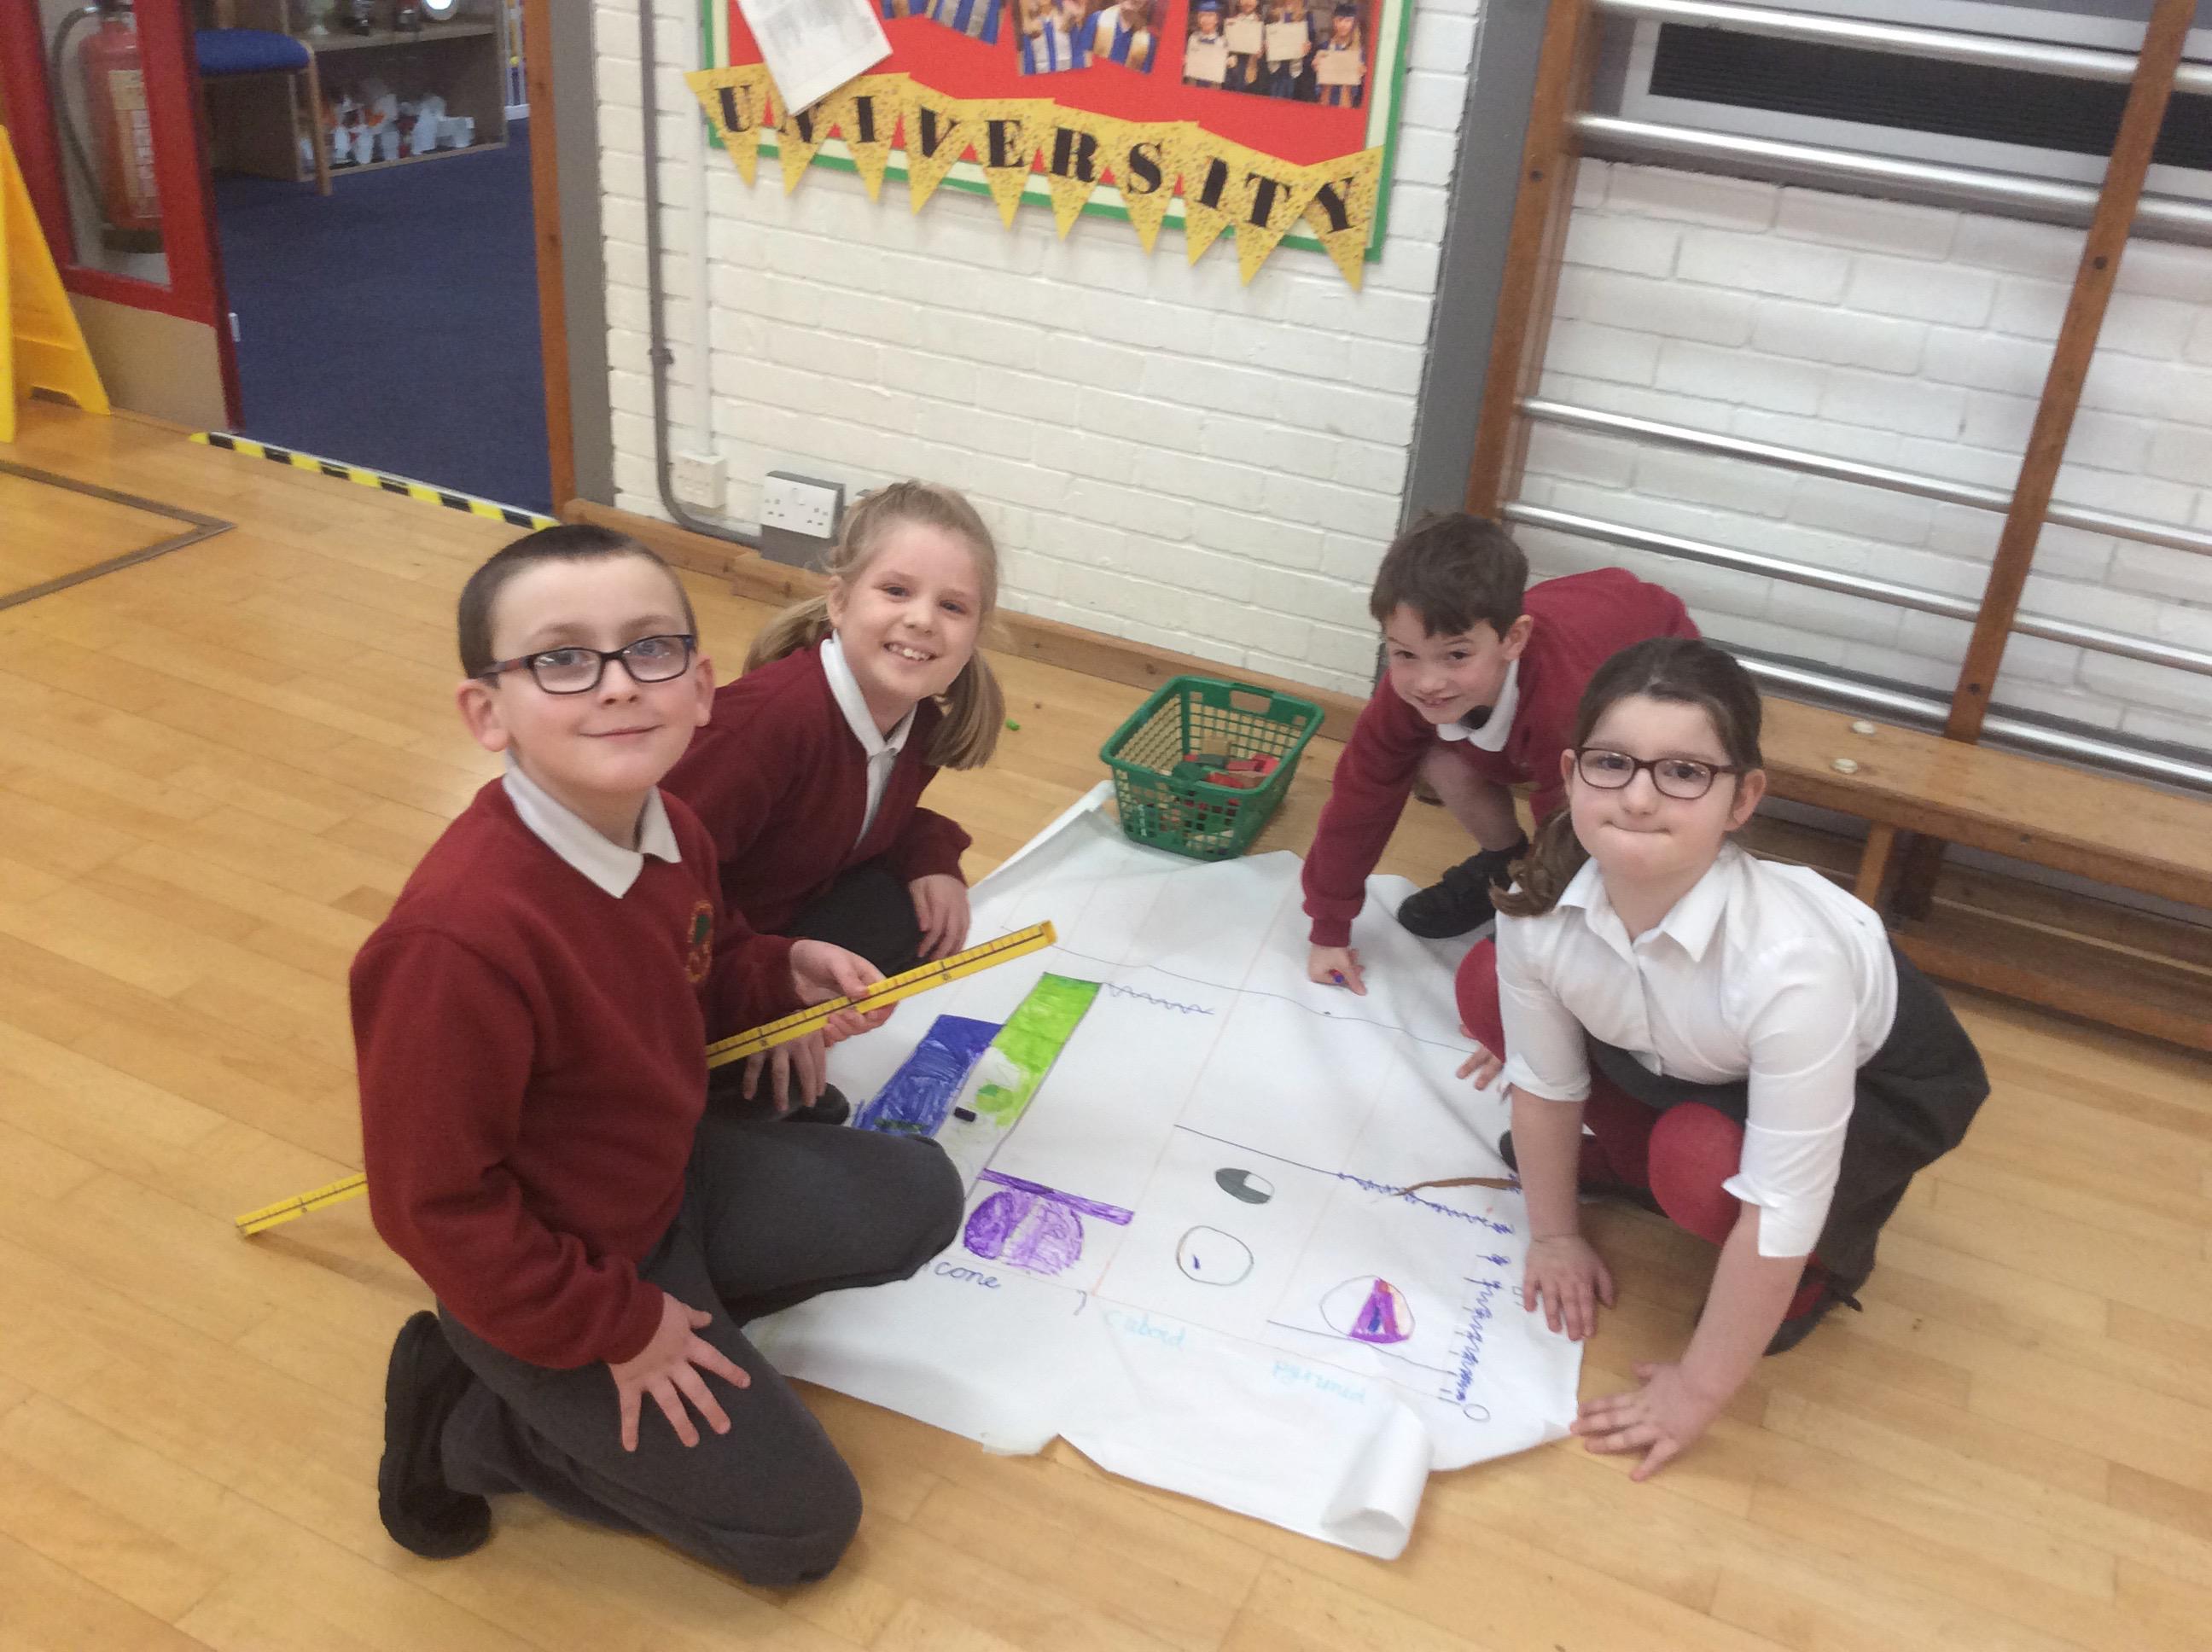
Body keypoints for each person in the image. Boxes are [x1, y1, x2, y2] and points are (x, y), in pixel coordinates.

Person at [356, 524, 962, 1583]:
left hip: (668, 1185)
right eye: (561, 658)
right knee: (803, 1532)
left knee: (922, 1194)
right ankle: (471, 1426)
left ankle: (683, 1330)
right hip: (565, 1271)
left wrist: (781, 969)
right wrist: (622, 1325)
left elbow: (703, 962)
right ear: (487, 713)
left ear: (701, 686)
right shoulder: (454, 944)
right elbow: (434, 1207)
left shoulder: (672, 823)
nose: (617, 684)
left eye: (649, 648)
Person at [1458, 637, 1988, 1479]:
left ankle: (1820, 1269)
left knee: (1703, 1164)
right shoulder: (1538, 907)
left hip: (1888, 1086)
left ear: (1743, 798)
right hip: (1695, 1052)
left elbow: (1779, 1205)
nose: (1638, 797)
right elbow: (1546, 1085)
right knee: (1488, 982)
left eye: (1683, 772)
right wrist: (1553, 1236)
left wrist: (1698, 1390)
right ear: (1570, 775)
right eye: (1611, 763)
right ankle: (1633, 1163)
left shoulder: (1791, 965)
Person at [664, 481, 1003, 1120]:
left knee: (907, 912)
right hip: (686, 958)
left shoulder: (916, 722)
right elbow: (657, 895)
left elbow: (856, 819)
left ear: (975, 633)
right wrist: (773, 990)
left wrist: (931, 857)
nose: (923, 620)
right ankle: (717, 1096)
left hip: (770, 929)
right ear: (840, 601)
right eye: (896, 591)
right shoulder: (764, 727)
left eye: (953, 606)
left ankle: (762, 1066)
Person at [1303, 514, 1696, 993]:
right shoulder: (1411, 693)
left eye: (1456, 655)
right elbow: (1360, 800)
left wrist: (1526, 935)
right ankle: (1504, 861)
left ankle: (1529, 887)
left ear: (1514, 639)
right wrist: (1329, 927)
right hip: (1554, 665)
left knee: (1618, 809)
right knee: (1433, 753)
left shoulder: (1561, 705)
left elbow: (1576, 830)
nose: (1427, 682)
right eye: (1404, 654)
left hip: (1662, 655)